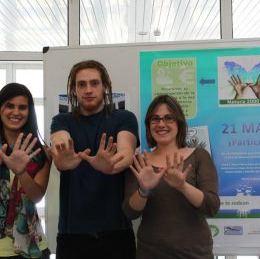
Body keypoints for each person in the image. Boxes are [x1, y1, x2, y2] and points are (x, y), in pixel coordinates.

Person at [50, 60, 140, 259]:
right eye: (81, 84)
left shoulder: (124, 118)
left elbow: (126, 152)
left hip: (117, 233)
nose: (88, 90)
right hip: (72, 235)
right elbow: (60, 141)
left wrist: (112, 165)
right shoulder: (61, 120)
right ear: (73, 89)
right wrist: (62, 158)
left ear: (105, 86)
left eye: (94, 83)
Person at [123, 94, 220, 259]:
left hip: (195, 254)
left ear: (179, 123)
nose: (161, 124)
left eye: (169, 118)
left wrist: (183, 186)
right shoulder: (140, 162)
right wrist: (144, 190)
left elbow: (211, 207)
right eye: (155, 119)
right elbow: (130, 213)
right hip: (150, 254)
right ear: (148, 125)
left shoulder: (199, 156)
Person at [0, 83, 51, 259]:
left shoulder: (41, 151)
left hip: (32, 248)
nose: (16, 112)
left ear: (29, 112)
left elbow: (36, 196)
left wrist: (21, 171)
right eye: (9, 106)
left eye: (22, 107)